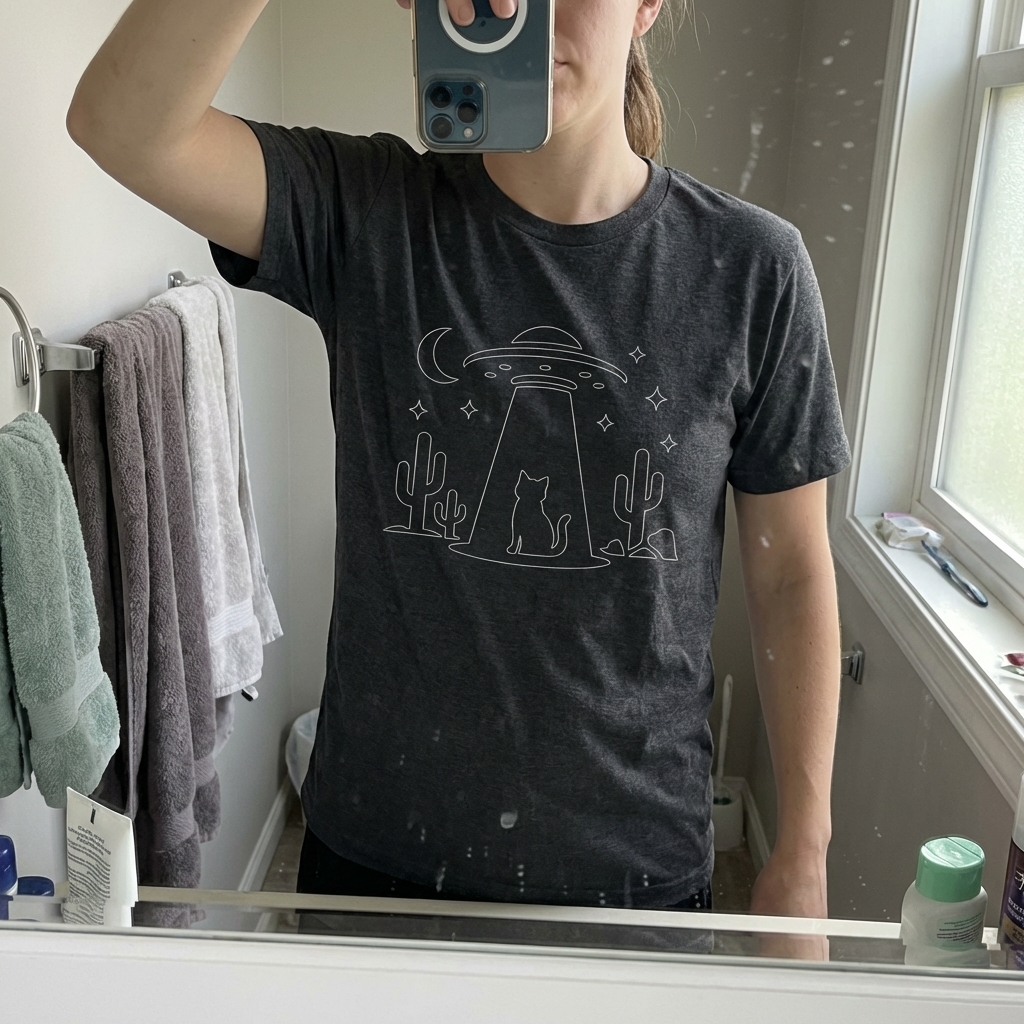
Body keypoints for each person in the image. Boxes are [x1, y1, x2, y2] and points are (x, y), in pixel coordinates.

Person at [67, 0, 849, 924]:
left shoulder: (753, 269)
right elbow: (125, 127)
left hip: (632, 871)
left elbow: (792, 577)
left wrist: (803, 853)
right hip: (377, 857)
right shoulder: (367, 211)